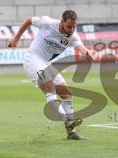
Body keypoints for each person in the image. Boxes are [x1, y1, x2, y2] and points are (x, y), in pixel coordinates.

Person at [8, 10, 94, 140]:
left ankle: (71, 133)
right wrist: (16, 38)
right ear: (62, 22)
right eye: (69, 26)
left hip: (46, 64)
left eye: (74, 26)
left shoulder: (73, 36)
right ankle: (67, 120)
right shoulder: (48, 23)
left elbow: (81, 47)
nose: (71, 29)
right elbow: (28, 20)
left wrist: (86, 53)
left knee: (67, 95)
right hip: (33, 60)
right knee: (50, 88)